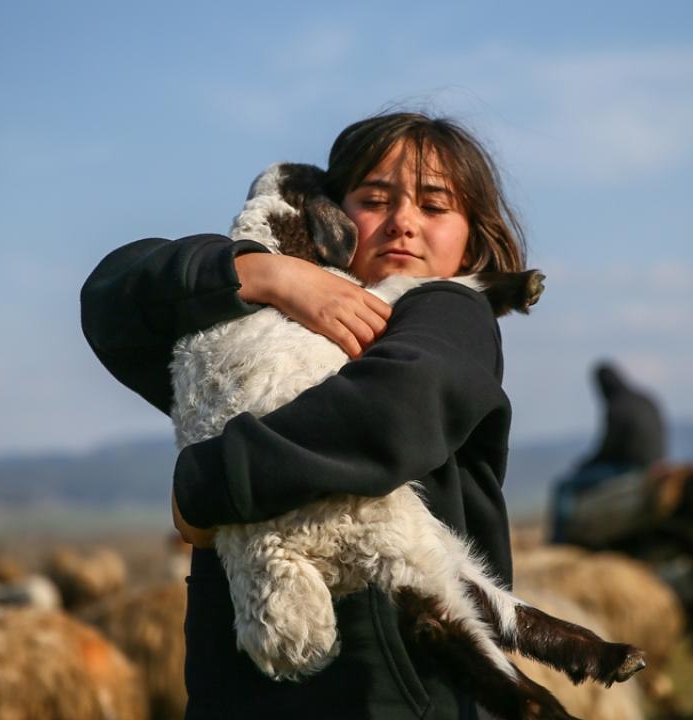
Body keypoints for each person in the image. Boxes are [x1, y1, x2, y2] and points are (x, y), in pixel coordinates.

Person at [80, 112, 527, 719]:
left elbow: (387, 416)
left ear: (472, 240)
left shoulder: (449, 315)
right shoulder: (266, 329)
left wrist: (206, 486)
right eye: (375, 199)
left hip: (387, 697)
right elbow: (110, 300)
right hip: (239, 693)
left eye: (435, 206)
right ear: (330, 215)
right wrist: (262, 272)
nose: (403, 222)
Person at [549, 361, 667, 543]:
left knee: (564, 487)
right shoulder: (646, 399)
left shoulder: (617, 407)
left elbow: (608, 448)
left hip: (628, 468)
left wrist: (585, 464)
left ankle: (559, 541)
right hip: (656, 464)